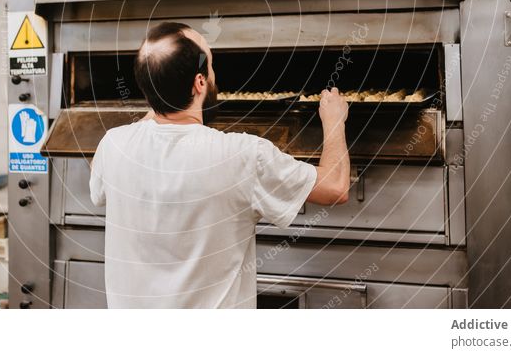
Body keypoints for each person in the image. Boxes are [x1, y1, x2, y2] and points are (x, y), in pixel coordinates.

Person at [90, 22, 350, 308]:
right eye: (210, 63)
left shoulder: (113, 146)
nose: (214, 72)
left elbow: (101, 180)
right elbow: (335, 187)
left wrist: (161, 90)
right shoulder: (241, 154)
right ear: (200, 82)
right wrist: (334, 120)